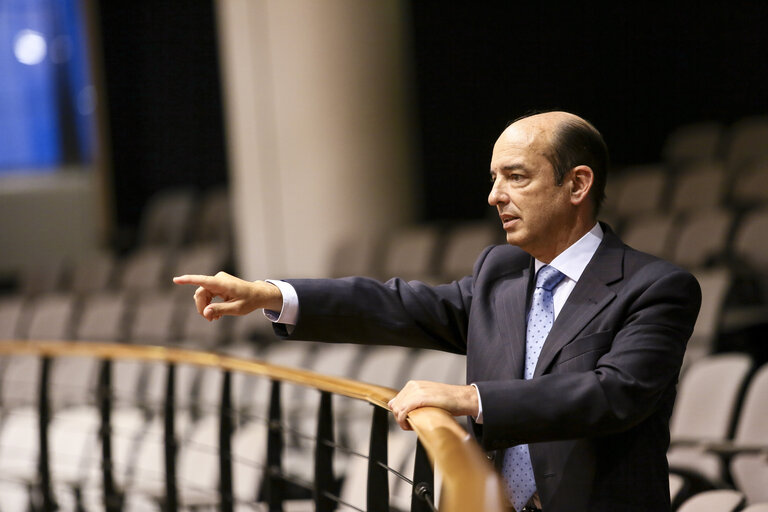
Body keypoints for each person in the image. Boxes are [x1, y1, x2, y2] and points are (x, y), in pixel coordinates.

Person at [174, 111, 701, 512]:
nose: (495, 196)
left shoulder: (656, 287)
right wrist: (272, 294)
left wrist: (469, 398)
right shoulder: (502, 271)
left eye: (515, 177)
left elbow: (615, 394)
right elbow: (399, 304)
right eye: (494, 178)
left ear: (577, 185)